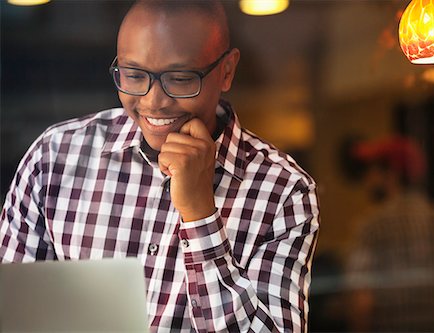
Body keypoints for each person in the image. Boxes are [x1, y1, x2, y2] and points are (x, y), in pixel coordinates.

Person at [0, 1, 320, 332]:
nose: (153, 101)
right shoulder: (54, 159)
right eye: (134, 76)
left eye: (180, 79)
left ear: (227, 71)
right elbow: (12, 315)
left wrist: (201, 216)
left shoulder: (283, 193)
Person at [345, 135, 434, 332]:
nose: (367, 179)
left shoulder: (371, 227)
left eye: (371, 169)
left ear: (390, 173)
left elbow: (362, 303)